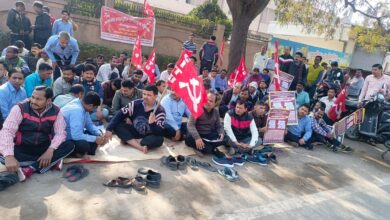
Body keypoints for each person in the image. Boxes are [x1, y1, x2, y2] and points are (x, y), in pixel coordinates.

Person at [0, 86, 74, 189]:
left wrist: (50, 151)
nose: (33, 101)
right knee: (4, 157)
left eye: (38, 99)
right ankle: (51, 162)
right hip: (21, 147)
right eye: (33, 97)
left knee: (70, 145)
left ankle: (30, 168)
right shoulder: (20, 108)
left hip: (43, 148)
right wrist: (9, 156)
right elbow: (7, 131)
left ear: (48, 101)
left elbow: (60, 133)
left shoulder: (56, 111)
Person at [104, 85, 166, 154]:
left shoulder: (160, 110)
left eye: (149, 95)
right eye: (144, 94)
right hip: (134, 131)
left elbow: (159, 132)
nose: (145, 97)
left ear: (155, 96)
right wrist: (109, 129)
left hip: (148, 136)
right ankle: (139, 146)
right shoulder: (135, 104)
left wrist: (152, 124)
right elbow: (120, 114)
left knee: (159, 139)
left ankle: (129, 140)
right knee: (117, 125)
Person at [62, 92, 106, 158]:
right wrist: (95, 139)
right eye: (95, 107)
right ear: (90, 105)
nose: (93, 110)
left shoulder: (82, 105)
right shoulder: (77, 110)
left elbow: (89, 124)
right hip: (65, 139)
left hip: (74, 134)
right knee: (84, 145)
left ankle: (81, 152)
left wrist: (99, 134)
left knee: (98, 133)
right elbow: (76, 136)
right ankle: (77, 153)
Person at [185, 92, 226, 157]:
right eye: (206, 99)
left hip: (207, 135)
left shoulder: (215, 111)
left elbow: (219, 125)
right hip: (196, 134)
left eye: (211, 101)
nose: (208, 102)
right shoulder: (197, 109)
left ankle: (207, 146)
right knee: (206, 148)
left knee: (225, 137)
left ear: (214, 104)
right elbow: (190, 125)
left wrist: (221, 132)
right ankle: (211, 148)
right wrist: (197, 138)